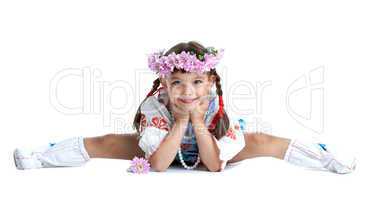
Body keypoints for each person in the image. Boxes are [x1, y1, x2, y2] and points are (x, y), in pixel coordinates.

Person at [13, 41, 356, 173]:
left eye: (195, 83)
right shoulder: (155, 107)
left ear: (209, 83)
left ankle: (325, 159)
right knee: (107, 142)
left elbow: (213, 166)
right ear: (164, 85)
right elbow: (159, 165)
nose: (187, 91)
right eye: (177, 83)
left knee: (263, 141)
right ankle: (41, 155)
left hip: (211, 147)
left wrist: (199, 122)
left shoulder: (216, 107)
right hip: (163, 145)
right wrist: (180, 122)